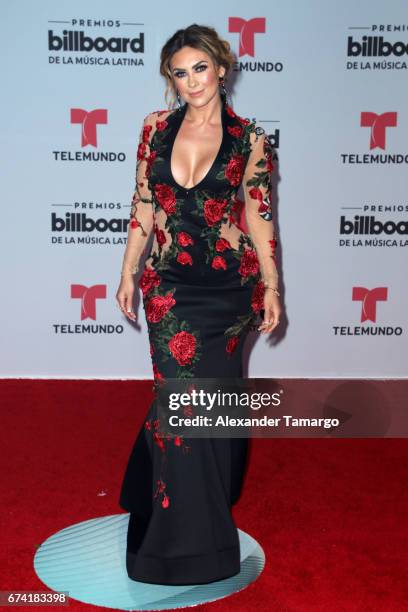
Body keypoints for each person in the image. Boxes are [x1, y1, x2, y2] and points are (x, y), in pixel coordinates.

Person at [115, 23, 281, 586]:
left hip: (230, 290)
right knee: (181, 404)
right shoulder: (155, 129)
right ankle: (182, 547)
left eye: (200, 69)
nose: (191, 83)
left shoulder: (250, 137)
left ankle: (146, 485)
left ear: (222, 67)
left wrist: (273, 287)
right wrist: (127, 272)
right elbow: (142, 204)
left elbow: (258, 215)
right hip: (169, 287)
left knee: (215, 402)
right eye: (179, 73)